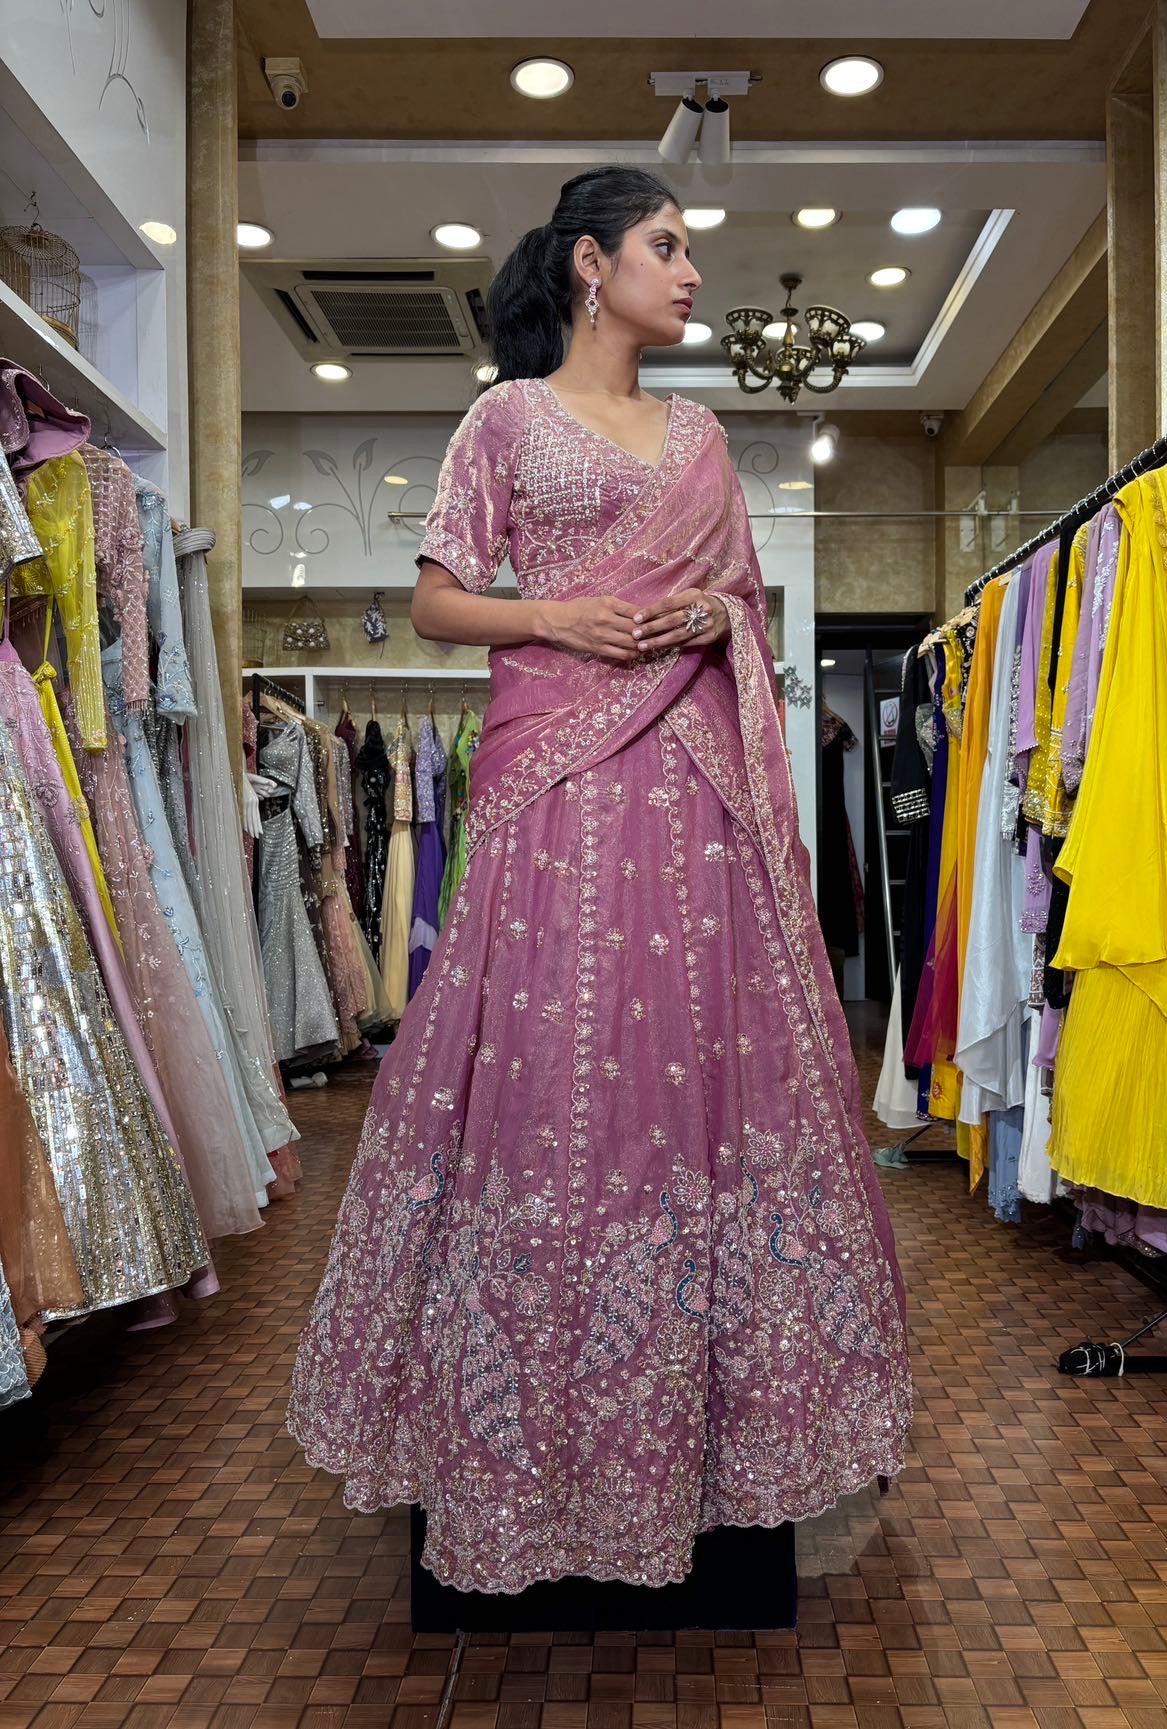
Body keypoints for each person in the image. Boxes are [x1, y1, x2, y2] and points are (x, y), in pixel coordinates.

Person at [288, 165, 912, 1596]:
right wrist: (555, 612)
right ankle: (517, 1456)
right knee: (552, 1085)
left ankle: (710, 1449)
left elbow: (742, 605)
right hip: (556, 801)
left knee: (691, 1089)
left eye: (690, 250)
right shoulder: (502, 418)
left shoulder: (698, 434)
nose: (689, 273)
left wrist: (711, 611)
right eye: (665, 246)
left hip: (688, 808)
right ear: (590, 264)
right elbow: (441, 598)